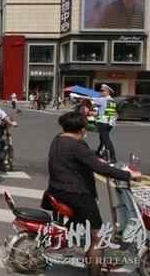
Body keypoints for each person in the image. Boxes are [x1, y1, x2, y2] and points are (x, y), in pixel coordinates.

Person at [42, 111, 141, 276]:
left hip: (59, 190)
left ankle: (79, 251)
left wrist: (96, 158)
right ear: (81, 130)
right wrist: (129, 175)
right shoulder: (76, 145)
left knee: (81, 228)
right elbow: (99, 168)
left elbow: (86, 158)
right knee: (98, 236)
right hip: (76, 194)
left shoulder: (58, 139)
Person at [92, 84, 118, 162]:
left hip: (103, 123)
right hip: (109, 123)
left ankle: (112, 158)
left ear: (107, 92)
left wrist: (75, 95)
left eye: (102, 91)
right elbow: (109, 112)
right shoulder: (112, 100)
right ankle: (98, 153)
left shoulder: (103, 100)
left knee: (106, 140)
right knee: (102, 139)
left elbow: (90, 98)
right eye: (100, 90)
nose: (101, 92)